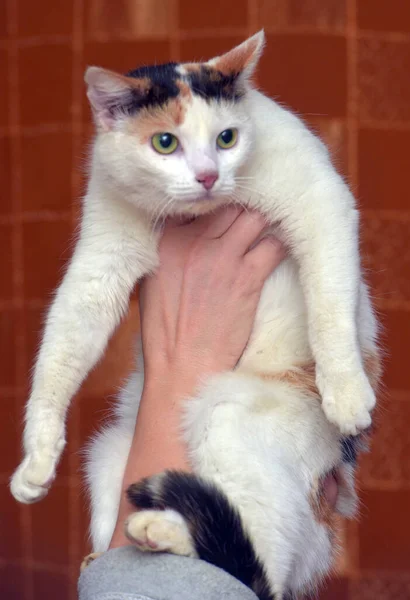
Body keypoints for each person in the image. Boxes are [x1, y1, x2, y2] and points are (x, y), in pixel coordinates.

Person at [78, 208, 336, 599]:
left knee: (225, 420)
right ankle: (212, 547)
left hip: (276, 442)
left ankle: (218, 549)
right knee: (106, 456)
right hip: (250, 485)